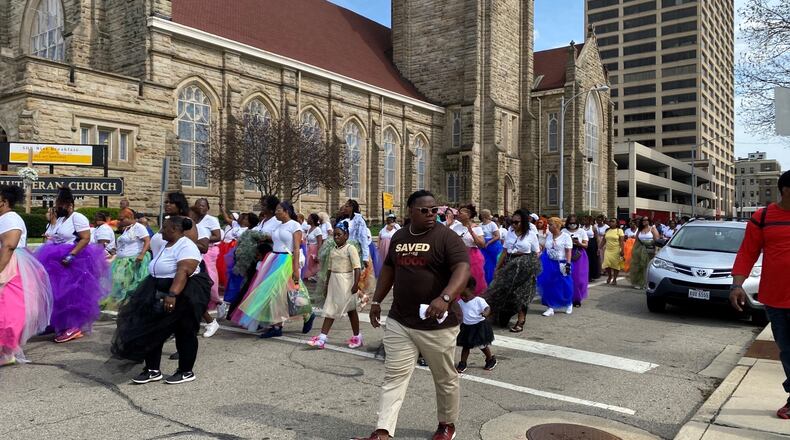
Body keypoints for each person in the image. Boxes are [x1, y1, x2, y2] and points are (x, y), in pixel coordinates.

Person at [353, 190, 469, 440]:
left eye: (434, 210)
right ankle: (383, 431)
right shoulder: (399, 236)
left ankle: (446, 425)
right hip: (401, 320)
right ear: (410, 211)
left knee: (445, 378)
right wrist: (377, 300)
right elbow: (389, 269)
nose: (431, 214)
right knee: (394, 376)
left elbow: (462, 268)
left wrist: (445, 297)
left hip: (437, 324)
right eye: (424, 210)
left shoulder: (446, 237)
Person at [111, 216, 211, 385]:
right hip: (157, 288)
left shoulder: (186, 246)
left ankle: (186, 371)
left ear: (175, 229)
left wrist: (172, 294)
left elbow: (183, 271)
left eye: (165, 227)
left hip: (182, 293)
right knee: (152, 330)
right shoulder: (168, 244)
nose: (161, 231)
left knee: (184, 331)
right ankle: (152, 369)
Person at [731, 170, 790, 419]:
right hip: (775, 298)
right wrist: (736, 285)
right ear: (785, 190)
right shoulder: (763, 217)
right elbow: (748, 252)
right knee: (787, 351)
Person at [36, 187, 111, 343]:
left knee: (71, 293)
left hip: (73, 260)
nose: (57, 206)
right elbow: (58, 235)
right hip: (56, 258)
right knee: (55, 292)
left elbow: (85, 238)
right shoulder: (60, 219)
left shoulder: (78, 217)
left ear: (69, 204)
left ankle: (73, 326)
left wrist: (72, 254)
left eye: (60, 203)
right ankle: (57, 323)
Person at [232, 201, 315, 338]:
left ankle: (307, 314)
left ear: (286, 211)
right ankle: (277, 326)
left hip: (286, 260)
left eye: (278, 210)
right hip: (274, 259)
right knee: (276, 294)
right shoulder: (278, 225)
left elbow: (296, 248)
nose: (276, 212)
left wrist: (295, 269)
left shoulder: (295, 226)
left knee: (292, 291)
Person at [0, 185, 53, 365]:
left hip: (10, 265)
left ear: (4, 202)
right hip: (8, 262)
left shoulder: (10, 218)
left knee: (8, 308)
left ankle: (6, 351)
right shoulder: (4, 218)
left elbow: (9, 245)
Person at [308, 222, 363, 349]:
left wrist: (356, 284)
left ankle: (356, 336)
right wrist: (326, 285)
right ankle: (323, 338)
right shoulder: (333, 250)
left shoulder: (350, 249)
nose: (336, 237)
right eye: (335, 235)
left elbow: (357, 268)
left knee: (350, 309)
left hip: (346, 282)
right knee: (331, 308)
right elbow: (329, 269)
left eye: (339, 235)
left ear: (346, 235)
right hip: (334, 281)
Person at [487, 209, 541, 332]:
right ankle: (501, 313)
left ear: (524, 222)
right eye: (512, 222)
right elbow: (504, 252)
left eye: (517, 222)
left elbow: (537, 252)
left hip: (524, 266)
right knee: (504, 291)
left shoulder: (531, 234)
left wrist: (530, 264)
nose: (514, 224)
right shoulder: (510, 233)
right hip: (509, 264)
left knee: (522, 293)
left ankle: (521, 319)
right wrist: (497, 268)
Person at [103, 208, 151, 310]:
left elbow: (147, 240)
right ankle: (120, 305)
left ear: (129, 218)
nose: (120, 221)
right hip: (121, 260)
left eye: (122, 219)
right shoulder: (126, 229)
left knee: (129, 284)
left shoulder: (139, 227)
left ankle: (129, 306)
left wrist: (142, 254)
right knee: (118, 283)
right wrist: (114, 252)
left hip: (133, 260)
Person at [193, 199, 222, 335]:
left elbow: (218, 236)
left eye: (203, 205)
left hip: (208, 250)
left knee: (210, 279)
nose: (200, 207)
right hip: (194, 251)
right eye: (198, 205)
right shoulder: (192, 219)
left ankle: (218, 302)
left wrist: (202, 239)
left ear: (207, 208)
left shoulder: (211, 220)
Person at [456, 277, 496, 373]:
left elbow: (487, 308)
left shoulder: (478, 300)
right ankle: (463, 363)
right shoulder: (460, 302)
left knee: (482, 345)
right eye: (461, 295)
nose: (463, 297)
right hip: (466, 327)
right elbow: (457, 312)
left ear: (471, 289)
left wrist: (485, 313)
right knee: (466, 346)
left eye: (465, 295)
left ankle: (490, 359)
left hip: (479, 326)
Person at [537, 217, 574, 317]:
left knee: (564, 284)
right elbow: (545, 248)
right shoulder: (549, 235)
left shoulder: (566, 236)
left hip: (561, 263)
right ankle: (550, 307)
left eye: (551, 225)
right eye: (548, 225)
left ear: (557, 225)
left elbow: (568, 251)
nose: (548, 226)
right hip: (548, 263)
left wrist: (568, 264)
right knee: (549, 284)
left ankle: (568, 303)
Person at [456, 204, 487, 295]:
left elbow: (482, 245)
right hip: (458, 255)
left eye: (460, 213)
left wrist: (472, 232)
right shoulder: (456, 227)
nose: (458, 214)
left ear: (468, 215)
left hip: (472, 256)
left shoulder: (477, 228)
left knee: (473, 279)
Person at [563, 215, 589, 307]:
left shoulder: (582, 231)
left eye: (574, 223)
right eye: (570, 223)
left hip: (579, 254)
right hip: (566, 253)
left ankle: (577, 298)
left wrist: (579, 243)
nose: (572, 224)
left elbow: (586, 245)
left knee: (578, 278)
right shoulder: (564, 231)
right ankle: (567, 297)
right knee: (566, 276)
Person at [628, 217, 659, 290]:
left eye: (646, 220)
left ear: (649, 221)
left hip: (650, 251)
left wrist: (656, 251)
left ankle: (647, 283)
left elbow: (657, 240)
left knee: (647, 267)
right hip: (639, 251)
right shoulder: (640, 230)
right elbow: (636, 241)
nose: (644, 221)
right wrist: (633, 250)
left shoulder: (652, 229)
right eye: (642, 220)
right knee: (639, 267)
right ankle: (640, 283)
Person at [479, 209, 502, 285]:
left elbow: (497, 236)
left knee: (494, 263)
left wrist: (488, 242)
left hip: (493, 246)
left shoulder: (492, 224)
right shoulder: (480, 225)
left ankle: (495, 281)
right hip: (483, 247)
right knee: (485, 265)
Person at [602, 218, 625, 285]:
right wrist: (599, 248)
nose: (611, 222)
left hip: (616, 250)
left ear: (616, 223)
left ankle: (614, 279)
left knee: (616, 265)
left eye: (613, 221)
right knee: (606, 264)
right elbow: (603, 240)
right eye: (610, 221)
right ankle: (610, 276)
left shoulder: (619, 230)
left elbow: (622, 242)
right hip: (608, 250)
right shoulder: (607, 230)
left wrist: (622, 250)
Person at [303, 213, 324, 281]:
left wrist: (318, 254)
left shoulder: (317, 229)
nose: (307, 219)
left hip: (314, 249)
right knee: (308, 264)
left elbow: (320, 242)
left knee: (313, 265)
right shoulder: (309, 229)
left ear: (312, 220)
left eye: (309, 218)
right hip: (308, 249)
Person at [377, 214, 399, 278]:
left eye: (393, 226)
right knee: (383, 261)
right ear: (388, 224)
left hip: (391, 248)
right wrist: (378, 247)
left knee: (390, 261)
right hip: (383, 248)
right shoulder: (383, 230)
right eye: (391, 226)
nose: (392, 227)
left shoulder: (395, 230)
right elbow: (379, 238)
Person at [582, 216, 601, 281]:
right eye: (584, 220)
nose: (585, 221)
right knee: (584, 260)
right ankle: (585, 275)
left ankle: (591, 275)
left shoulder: (593, 228)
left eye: (586, 220)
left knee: (592, 260)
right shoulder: (581, 227)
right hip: (584, 244)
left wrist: (598, 248)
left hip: (592, 245)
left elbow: (597, 238)